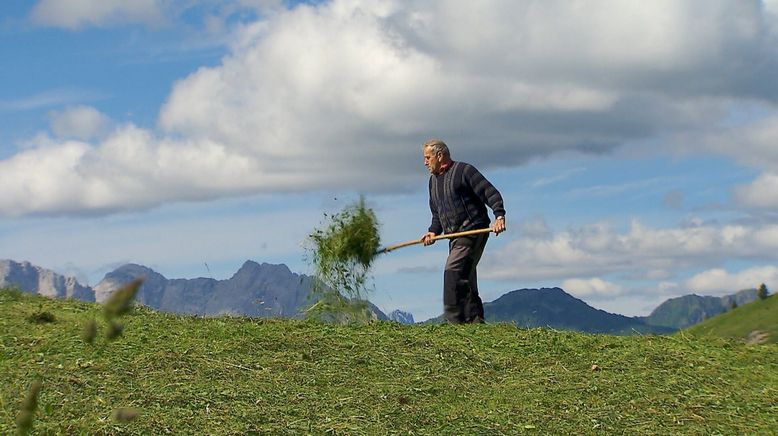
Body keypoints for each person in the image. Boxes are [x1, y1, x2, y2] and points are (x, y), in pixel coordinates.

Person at [420, 139, 506, 324]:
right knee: (466, 278)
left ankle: (454, 322)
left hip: (473, 230)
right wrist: (433, 232)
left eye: (427, 158)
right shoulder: (432, 183)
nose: (425, 162)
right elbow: (437, 214)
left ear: (440, 155)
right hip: (454, 237)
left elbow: (490, 192)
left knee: (453, 272)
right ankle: (475, 323)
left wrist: (499, 216)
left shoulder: (464, 171)